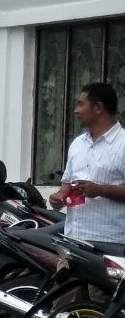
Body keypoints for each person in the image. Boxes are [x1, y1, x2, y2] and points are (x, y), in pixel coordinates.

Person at [49, 83, 124, 242]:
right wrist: (57, 198)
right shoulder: (77, 144)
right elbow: (66, 188)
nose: (76, 110)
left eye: (81, 104)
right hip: (73, 240)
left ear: (97, 108)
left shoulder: (123, 143)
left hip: (111, 244)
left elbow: (99, 190)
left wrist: (100, 190)